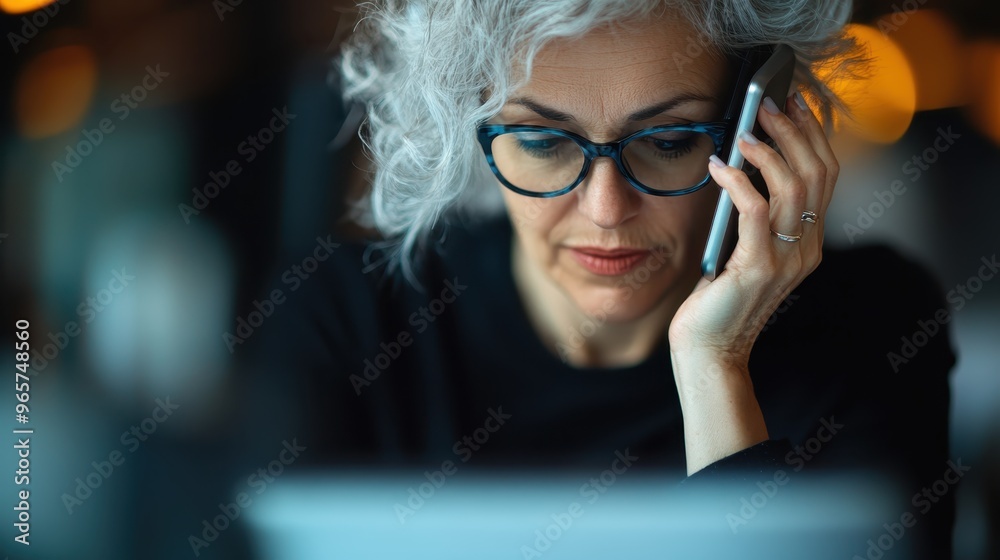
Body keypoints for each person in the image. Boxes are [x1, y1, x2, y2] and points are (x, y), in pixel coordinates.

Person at [243, 0, 956, 557]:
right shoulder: (346, 318)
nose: (608, 210)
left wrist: (715, 364)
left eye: (670, 141)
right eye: (544, 143)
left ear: (758, 129)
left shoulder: (875, 325)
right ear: (467, 126)